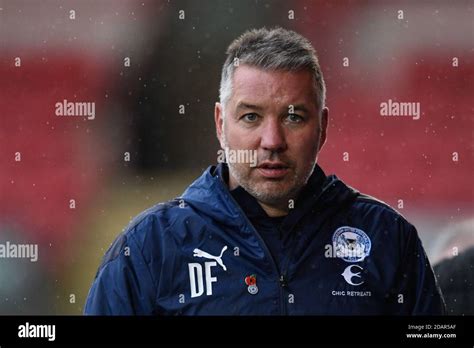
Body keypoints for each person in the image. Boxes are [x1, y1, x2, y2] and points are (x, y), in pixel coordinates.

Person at [84, 27, 446, 315]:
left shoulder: (387, 238)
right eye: (251, 117)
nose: (271, 140)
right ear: (220, 123)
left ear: (322, 127)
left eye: (293, 117)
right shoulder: (150, 247)